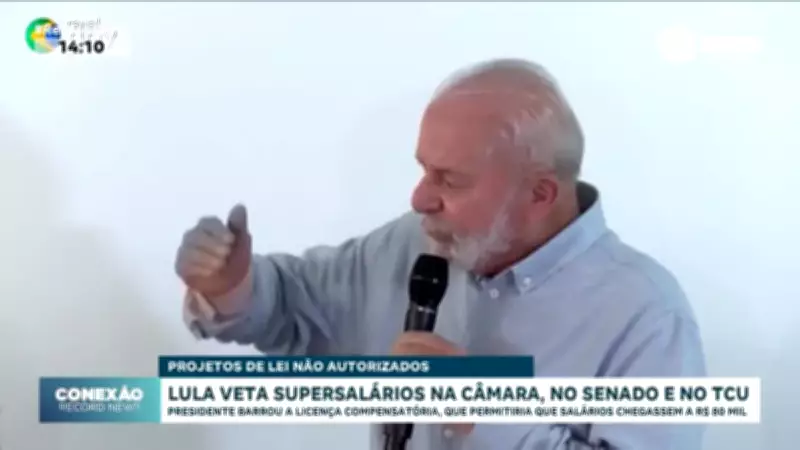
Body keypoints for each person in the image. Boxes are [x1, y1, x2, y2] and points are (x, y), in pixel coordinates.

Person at [175, 58, 707, 450]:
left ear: (540, 194)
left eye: (449, 180)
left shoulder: (646, 315)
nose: (419, 198)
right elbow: (297, 306)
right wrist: (234, 286)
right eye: (424, 170)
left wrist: (480, 409)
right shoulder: (413, 244)